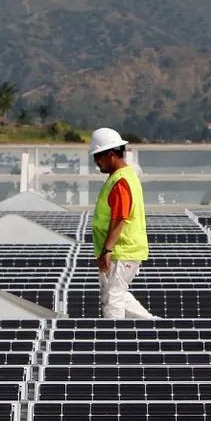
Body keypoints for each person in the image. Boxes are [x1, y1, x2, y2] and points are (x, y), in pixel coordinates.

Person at [89, 127, 157, 319]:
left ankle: (114, 342)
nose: (96, 162)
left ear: (110, 154)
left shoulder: (121, 181)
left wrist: (107, 250)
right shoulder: (120, 178)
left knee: (113, 300)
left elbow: (120, 217)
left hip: (121, 251)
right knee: (116, 294)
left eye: (98, 156)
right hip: (121, 250)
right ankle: (156, 326)